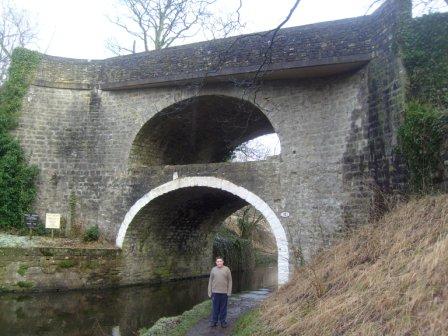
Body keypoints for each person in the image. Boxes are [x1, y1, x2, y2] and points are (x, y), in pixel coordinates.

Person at [208, 256, 232, 328]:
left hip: (224, 293)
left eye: (220, 261)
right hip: (215, 292)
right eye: (217, 261)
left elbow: (230, 281)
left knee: (223, 308)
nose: (219, 262)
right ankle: (214, 322)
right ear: (216, 262)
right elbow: (210, 281)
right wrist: (209, 292)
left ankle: (223, 322)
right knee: (215, 308)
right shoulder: (213, 270)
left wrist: (229, 292)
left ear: (223, 262)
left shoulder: (227, 269)